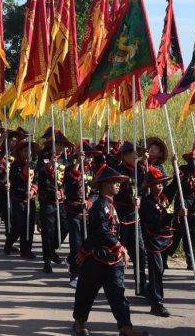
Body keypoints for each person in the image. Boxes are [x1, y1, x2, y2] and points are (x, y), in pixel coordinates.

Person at [72, 164, 148, 336]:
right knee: (86, 293)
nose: (118, 184)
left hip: (112, 260)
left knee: (118, 295)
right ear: (104, 184)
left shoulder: (111, 205)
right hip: (97, 259)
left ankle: (125, 328)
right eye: (114, 181)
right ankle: (79, 322)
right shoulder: (99, 206)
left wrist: (119, 249)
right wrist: (120, 247)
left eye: (118, 181)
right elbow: (102, 231)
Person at [139, 165, 184, 317]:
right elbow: (158, 221)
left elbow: (175, 185)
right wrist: (177, 213)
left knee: (160, 270)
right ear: (150, 186)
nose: (160, 185)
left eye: (161, 183)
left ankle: (152, 292)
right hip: (154, 241)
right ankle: (156, 303)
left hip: (166, 240)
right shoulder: (147, 202)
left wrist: (175, 166)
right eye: (157, 183)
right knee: (156, 270)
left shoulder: (165, 196)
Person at [166, 146, 195, 271]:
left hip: (192, 213)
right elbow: (177, 177)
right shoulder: (184, 171)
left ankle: (192, 262)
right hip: (182, 210)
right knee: (176, 237)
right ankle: (163, 257)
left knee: (191, 238)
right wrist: (174, 164)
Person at [113, 140, 147, 294]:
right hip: (121, 215)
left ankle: (141, 285)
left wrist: (140, 197)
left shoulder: (140, 170)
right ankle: (116, 285)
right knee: (118, 253)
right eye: (133, 152)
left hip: (135, 217)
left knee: (140, 252)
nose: (136, 155)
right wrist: (129, 198)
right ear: (125, 155)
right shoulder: (117, 171)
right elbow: (115, 191)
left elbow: (144, 189)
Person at [64, 140, 99, 287]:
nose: (89, 158)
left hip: (88, 212)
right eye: (86, 155)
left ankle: (84, 270)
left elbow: (97, 191)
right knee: (76, 244)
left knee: (88, 245)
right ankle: (75, 274)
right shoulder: (70, 169)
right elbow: (69, 185)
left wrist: (90, 201)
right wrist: (78, 163)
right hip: (73, 211)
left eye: (91, 155)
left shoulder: (93, 171)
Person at [38, 131, 73, 273]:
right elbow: (40, 176)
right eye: (56, 145)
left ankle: (52, 250)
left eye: (61, 145)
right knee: (48, 231)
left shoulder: (66, 160)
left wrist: (63, 191)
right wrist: (50, 164)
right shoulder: (44, 158)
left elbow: (68, 180)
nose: (59, 148)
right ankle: (47, 261)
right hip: (47, 199)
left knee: (64, 227)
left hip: (61, 200)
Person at [5, 138, 40, 258]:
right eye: (25, 151)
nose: (27, 153)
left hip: (30, 199)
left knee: (29, 226)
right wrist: (26, 168)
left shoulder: (34, 165)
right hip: (18, 199)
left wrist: (33, 190)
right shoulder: (15, 165)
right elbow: (16, 179)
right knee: (18, 225)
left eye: (29, 151)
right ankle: (9, 243)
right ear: (20, 152)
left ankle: (26, 250)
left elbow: (36, 180)